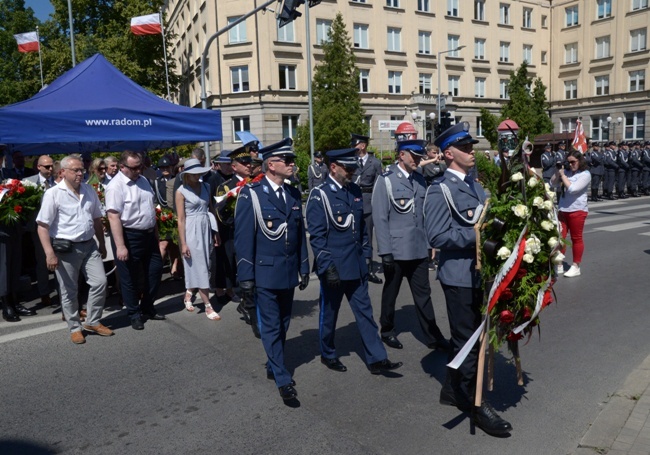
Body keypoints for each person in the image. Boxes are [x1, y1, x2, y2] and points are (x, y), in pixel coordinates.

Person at [424, 122, 512, 436]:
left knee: (478, 337)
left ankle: (455, 390)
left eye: (471, 146)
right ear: (448, 153)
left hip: (481, 275)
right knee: (468, 341)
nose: (471, 152)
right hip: (459, 276)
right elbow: (435, 235)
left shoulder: (475, 185)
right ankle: (476, 405)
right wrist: (477, 235)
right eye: (465, 148)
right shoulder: (439, 189)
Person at [306, 147, 402, 375]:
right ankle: (328, 353)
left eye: (353, 168)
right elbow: (318, 237)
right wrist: (326, 265)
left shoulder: (355, 191)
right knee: (329, 314)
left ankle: (377, 358)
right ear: (333, 167)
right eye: (347, 168)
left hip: (356, 264)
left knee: (365, 313)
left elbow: (361, 230)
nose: (351, 172)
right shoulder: (320, 195)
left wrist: (367, 257)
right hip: (334, 267)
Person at [234, 139, 310, 401]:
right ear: (271, 164)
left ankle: (272, 361)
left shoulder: (292, 193)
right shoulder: (251, 194)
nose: (292, 164)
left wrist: (304, 266)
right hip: (265, 271)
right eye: (287, 161)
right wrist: (245, 278)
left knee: (283, 323)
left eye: (292, 160)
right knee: (270, 325)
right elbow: (244, 240)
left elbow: (299, 233)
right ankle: (282, 377)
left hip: (288, 271)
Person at [372, 139, 450, 351]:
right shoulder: (386, 180)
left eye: (419, 157)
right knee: (391, 293)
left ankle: (433, 337)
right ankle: (387, 330)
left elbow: (423, 216)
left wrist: (429, 244)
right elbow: (380, 218)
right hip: (396, 251)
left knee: (424, 295)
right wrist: (385, 252)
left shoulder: (419, 180)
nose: (418, 160)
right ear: (402, 155)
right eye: (414, 156)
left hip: (418, 249)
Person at [36, 155, 112, 344]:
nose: (80, 173)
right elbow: (42, 226)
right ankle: (75, 327)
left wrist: (101, 244)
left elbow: (96, 219)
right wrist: (49, 253)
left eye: (82, 170)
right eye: (76, 170)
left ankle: (93, 321)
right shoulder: (53, 194)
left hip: (89, 245)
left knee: (100, 282)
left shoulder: (88, 190)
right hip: (66, 249)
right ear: (62, 172)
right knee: (69, 290)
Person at [105, 151, 165, 330]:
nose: (139, 170)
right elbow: (113, 216)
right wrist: (120, 246)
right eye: (134, 167)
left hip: (148, 234)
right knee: (129, 277)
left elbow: (150, 209)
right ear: (122, 167)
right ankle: (134, 313)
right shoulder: (116, 186)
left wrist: (155, 234)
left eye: (140, 166)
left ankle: (147, 306)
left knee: (154, 271)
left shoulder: (143, 180)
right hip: (129, 235)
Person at [176, 158, 221, 320]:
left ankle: (188, 293)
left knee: (205, 263)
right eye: (194, 174)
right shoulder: (181, 191)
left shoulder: (207, 186)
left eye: (199, 173)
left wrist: (216, 232)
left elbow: (210, 209)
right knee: (200, 266)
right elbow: (180, 219)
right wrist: (183, 243)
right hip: (191, 230)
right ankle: (208, 305)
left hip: (205, 228)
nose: (197, 176)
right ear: (186, 174)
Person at [215, 147, 254, 332]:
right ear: (234, 166)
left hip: (256, 234)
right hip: (236, 234)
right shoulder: (226, 187)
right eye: (244, 163)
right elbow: (222, 213)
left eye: (249, 162)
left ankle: (250, 302)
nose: (249, 166)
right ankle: (247, 304)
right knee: (242, 269)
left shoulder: (257, 182)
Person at [551, 150, 591, 278]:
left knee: (576, 238)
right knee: (560, 238)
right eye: (568, 162)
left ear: (580, 161)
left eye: (573, 162)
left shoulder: (585, 174)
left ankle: (576, 266)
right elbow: (552, 183)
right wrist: (558, 172)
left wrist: (563, 176)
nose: (570, 165)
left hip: (577, 210)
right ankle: (559, 263)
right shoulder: (566, 172)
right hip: (563, 209)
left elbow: (573, 189)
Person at [23, 155, 56, 306]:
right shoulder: (29, 182)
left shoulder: (57, 182)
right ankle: (44, 292)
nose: (50, 169)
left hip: (56, 227)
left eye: (51, 166)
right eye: (46, 167)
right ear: (38, 167)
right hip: (38, 228)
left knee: (60, 260)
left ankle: (63, 293)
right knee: (42, 260)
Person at [351, 133, 383, 284]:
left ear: (362, 146)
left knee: (368, 236)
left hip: (369, 202)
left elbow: (379, 186)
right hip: (353, 202)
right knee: (353, 235)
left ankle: (368, 268)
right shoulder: (351, 162)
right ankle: (355, 266)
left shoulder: (375, 163)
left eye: (355, 145)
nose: (353, 147)